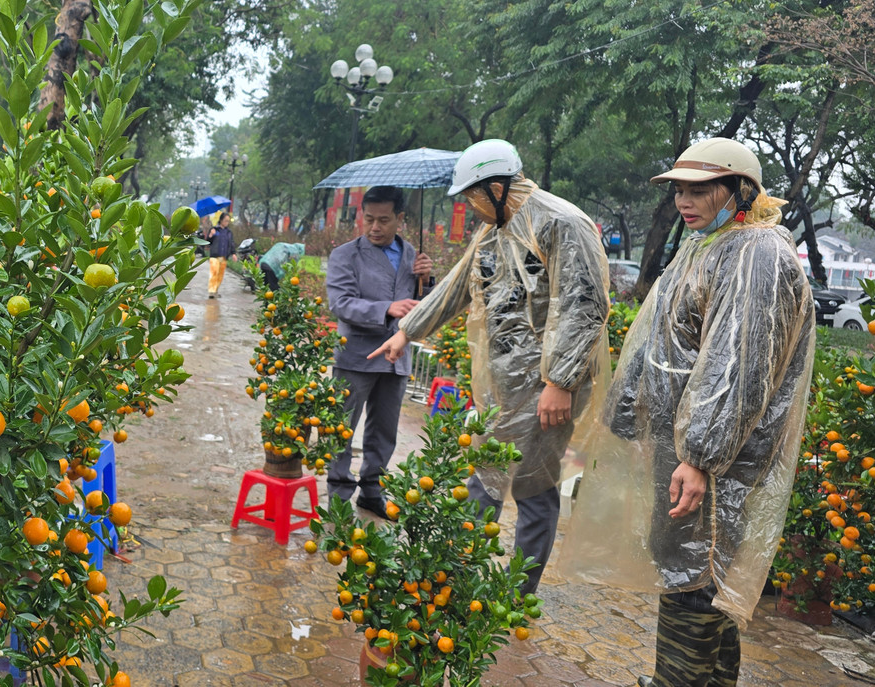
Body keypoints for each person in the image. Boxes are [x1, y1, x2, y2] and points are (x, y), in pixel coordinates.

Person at [558, 139, 814, 687]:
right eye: (679, 188)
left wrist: (700, 457)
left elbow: (738, 368)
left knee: (695, 578)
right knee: (690, 572)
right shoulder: (705, 246)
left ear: (741, 191)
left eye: (700, 188)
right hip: (681, 452)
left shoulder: (757, 254)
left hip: (720, 466)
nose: (683, 199)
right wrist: (623, 419)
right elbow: (658, 340)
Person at [369, 139, 611, 594]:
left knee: (530, 488)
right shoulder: (495, 229)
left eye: (471, 196)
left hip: (546, 388)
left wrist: (559, 381)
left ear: (496, 187)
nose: (468, 205)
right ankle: (457, 576)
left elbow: (584, 307)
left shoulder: (562, 223)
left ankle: (511, 593)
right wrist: (406, 331)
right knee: (486, 474)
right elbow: (459, 285)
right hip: (502, 385)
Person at [325, 186, 433, 516]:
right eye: (368, 218)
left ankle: (373, 490)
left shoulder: (413, 254)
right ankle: (338, 494)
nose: (374, 227)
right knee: (341, 427)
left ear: (400, 218)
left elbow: (421, 303)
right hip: (357, 355)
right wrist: (387, 307)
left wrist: (427, 281)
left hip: (396, 358)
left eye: (384, 220)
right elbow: (340, 303)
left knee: (384, 431)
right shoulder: (346, 255)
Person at [206, 213, 235, 298]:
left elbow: (231, 243)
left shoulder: (229, 232)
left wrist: (233, 253)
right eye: (225, 220)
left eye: (228, 221)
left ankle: (216, 290)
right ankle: (211, 291)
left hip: (224, 256)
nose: (227, 222)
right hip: (215, 255)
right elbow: (208, 241)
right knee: (214, 273)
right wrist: (211, 235)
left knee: (220, 275)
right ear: (221, 220)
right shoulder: (214, 230)